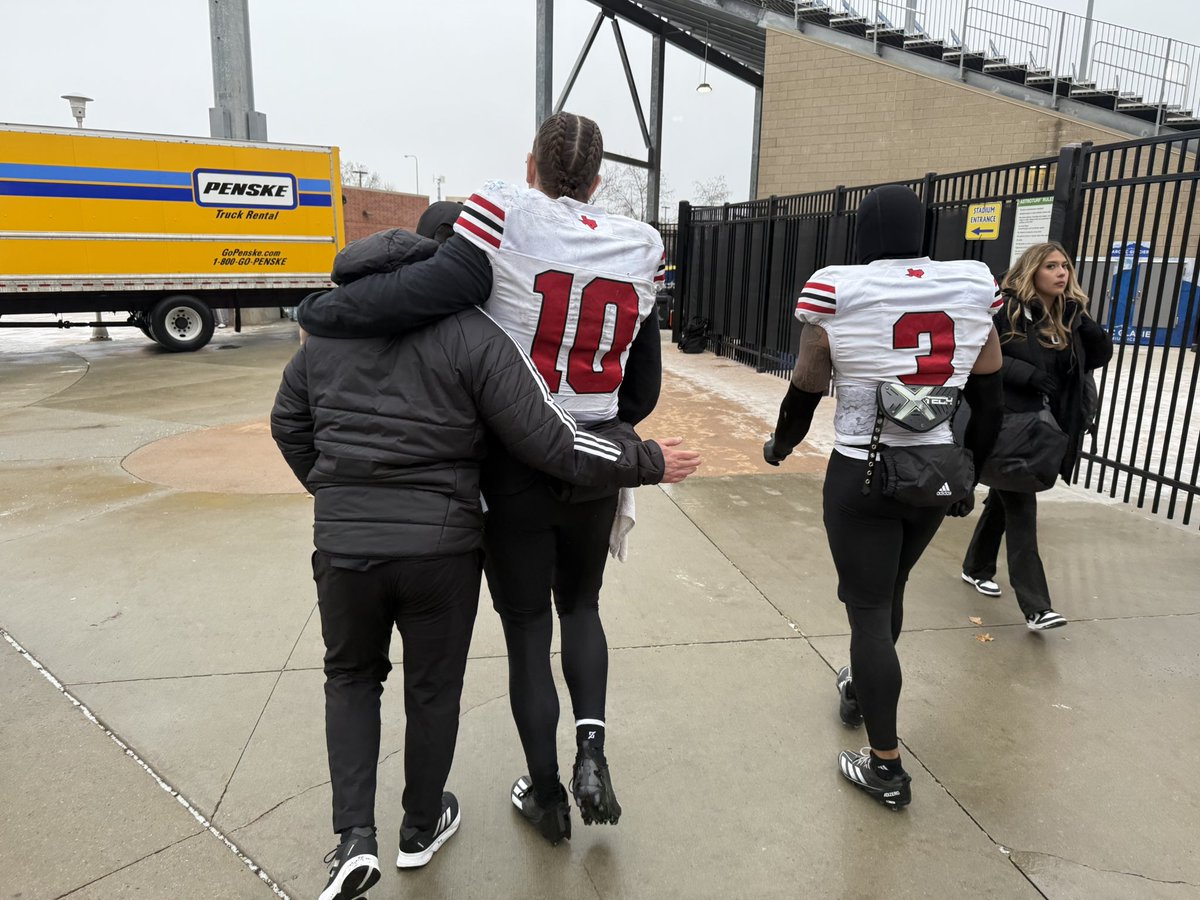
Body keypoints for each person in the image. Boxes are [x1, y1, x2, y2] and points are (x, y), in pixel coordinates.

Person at [272, 204, 699, 900]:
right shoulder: (470, 333)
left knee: (351, 678)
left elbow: (287, 423)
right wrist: (644, 459)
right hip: (440, 546)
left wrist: (333, 490)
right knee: (433, 688)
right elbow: (549, 440)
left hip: (345, 545)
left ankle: (353, 838)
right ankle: (419, 826)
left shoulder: (321, 338)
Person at [762, 185, 1005, 810]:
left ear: (864, 233)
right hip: (934, 472)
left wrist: (781, 444)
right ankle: (861, 690)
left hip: (863, 471)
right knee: (889, 592)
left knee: (868, 610)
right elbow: (992, 396)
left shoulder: (839, 288)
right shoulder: (972, 283)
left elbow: (810, 382)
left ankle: (885, 765)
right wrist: (967, 475)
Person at [961, 241, 1113, 629]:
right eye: (1051, 266)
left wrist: (1086, 320)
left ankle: (976, 566)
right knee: (1022, 505)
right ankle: (1036, 606)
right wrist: (1025, 374)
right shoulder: (1009, 308)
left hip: (1051, 421)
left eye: (1065, 266)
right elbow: (979, 353)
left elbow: (1096, 358)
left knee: (1006, 495)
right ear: (1032, 271)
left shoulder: (1068, 312)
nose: (1061, 273)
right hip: (1013, 421)